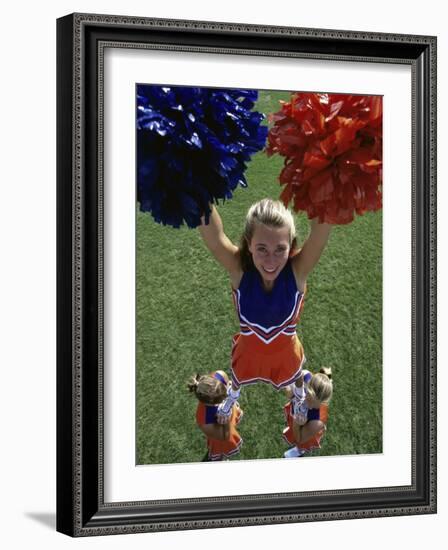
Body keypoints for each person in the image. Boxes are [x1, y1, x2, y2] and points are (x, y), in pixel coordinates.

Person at [199, 198, 332, 422]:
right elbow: (215, 239)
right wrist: (195, 189)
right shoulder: (239, 270)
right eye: (262, 248)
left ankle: (298, 397)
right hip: (249, 350)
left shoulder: (297, 272)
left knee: (297, 375)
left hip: (285, 353)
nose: (271, 260)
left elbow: (320, 235)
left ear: (291, 246)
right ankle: (232, 398)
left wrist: (328, 189)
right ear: (249, 244)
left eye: (280, 249)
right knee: (238, 377)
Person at [188, 370, 243, 461]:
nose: (226, 397)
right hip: (223, 432)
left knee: (234, 421)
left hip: (229, 416)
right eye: (223, 398)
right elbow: (225, 437)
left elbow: (229, 383)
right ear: (212, 403)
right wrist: (226, 422)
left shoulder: (219, 375)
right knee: (221, 453)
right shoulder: (204, 420)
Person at [282, 367, 333, 458]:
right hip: (296, 415)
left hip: (306, 429)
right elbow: (290, 390)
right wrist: (289, 390)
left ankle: (299, 451)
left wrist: (296, 423)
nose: (308, 404)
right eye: (308, 397)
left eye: (314, 403)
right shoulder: (305, 376)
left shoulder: (318, 422)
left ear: (323, 402)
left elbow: (300, 438)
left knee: (303, 444)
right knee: (290, 426)